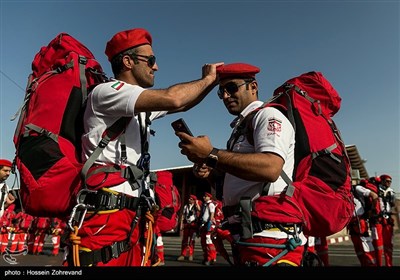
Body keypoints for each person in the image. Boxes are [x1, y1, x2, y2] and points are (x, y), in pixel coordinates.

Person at [63, 27, 222, 267]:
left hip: (132, 211)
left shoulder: (135, 102)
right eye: (151, 60)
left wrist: (212, 83)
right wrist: (208, 79)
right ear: (127, 61)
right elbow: (174, 98)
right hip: (107, 212)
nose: (155, 67)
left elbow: (182, 105)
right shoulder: (108, 92)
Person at [176, 63, 307, 266]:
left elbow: (271, 168)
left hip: (269, 237)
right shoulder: (240, 128)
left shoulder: (268, 116)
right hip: (248, 235)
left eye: (231, 88)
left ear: (253, 87)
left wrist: (211, 153)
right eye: (221, 92)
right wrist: (208, 169)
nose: (226, 96)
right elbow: (232, 188)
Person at [347, 179, 378, 266]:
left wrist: (371, 211)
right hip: (351, 223)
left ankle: (372, 264)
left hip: (360, 222)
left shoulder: (356, 188)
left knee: (366, 247)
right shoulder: (342, 192)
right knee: (358, 249)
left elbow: (374, 196)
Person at [177, 194, 201, 261]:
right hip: (186, 224)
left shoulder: (196, 206)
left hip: (193, 225)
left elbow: (200, 210)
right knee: (184, 240)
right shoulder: (186, 206)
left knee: (191, 241)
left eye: (191, 199)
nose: (189, 200)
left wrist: (196, 203)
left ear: (194, 200)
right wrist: (181, 224)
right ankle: (182, 254)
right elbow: (183, 215)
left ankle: (191, 255)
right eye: (189, 198)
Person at [198, 192, 217, 265]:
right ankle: (206, 257)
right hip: (203, 224)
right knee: (203, 242)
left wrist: (209, 224)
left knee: (208, 241)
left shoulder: (211, 204)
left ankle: (211, 258)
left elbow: (212, 214)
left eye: (205, 196)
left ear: (209, 197)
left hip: (208, 224)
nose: (204, 197)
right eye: (204, 196)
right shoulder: (204, 205)